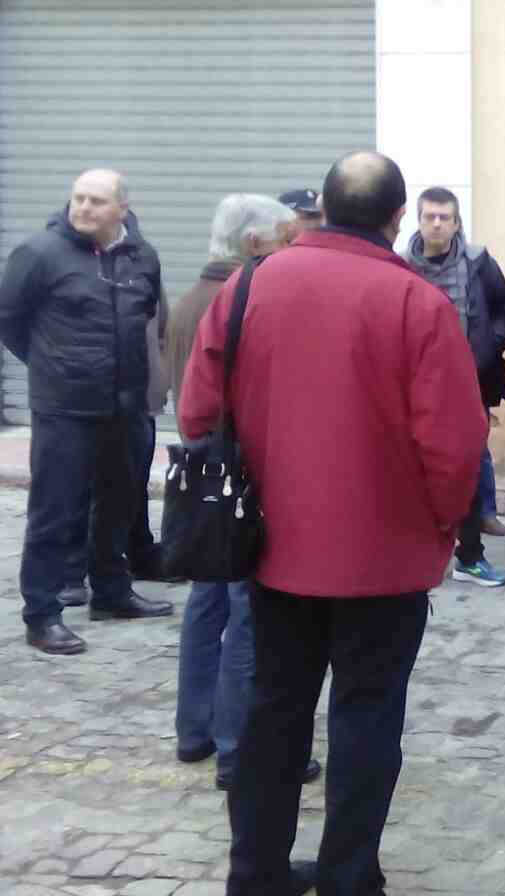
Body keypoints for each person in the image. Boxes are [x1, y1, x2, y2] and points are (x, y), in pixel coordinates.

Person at [179, 151, 485, 896]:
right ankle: (350, 877)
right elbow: (454, 443)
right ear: (397, 217)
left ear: (321, 208)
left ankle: (255, 873)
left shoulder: (251, 285)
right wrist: (443, 529)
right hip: (384, 563)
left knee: (272, 718)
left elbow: (195, 412)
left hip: (274, 553)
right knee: (367, 723)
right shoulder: (418, 303)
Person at [170, 195, 322, 791]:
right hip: (236, 477)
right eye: (285, 238)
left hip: (206, 475)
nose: (292, 249)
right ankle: (237, 749)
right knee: (245, 617)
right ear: (256, 243)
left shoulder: (193, 297)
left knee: (207, 605)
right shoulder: (243, 298)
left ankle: (195, 729)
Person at [0, 169, 174, 655]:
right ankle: (42, 613)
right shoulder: (39, 254)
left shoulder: (142, 256)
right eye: (77, 198)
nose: (82, 208)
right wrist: (51, 366)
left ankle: (112, 592)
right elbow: (9, 321)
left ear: (122, 208)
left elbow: (147, 318)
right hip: (65, 407)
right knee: (54, 511)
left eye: (96, 201)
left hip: (126, 404)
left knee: (119, 502)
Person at [406, 186, 505, 587]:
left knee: (465, 468)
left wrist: (489, 346)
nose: (437, 223)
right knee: (414, 473)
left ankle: (470, 555)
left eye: (445, 217)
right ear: (417, 220)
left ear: (456, 223)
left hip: (468, 383)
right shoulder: (400, 266)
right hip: (414, 388)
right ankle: (419, 554)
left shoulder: (478, 263)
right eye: (429, 216)